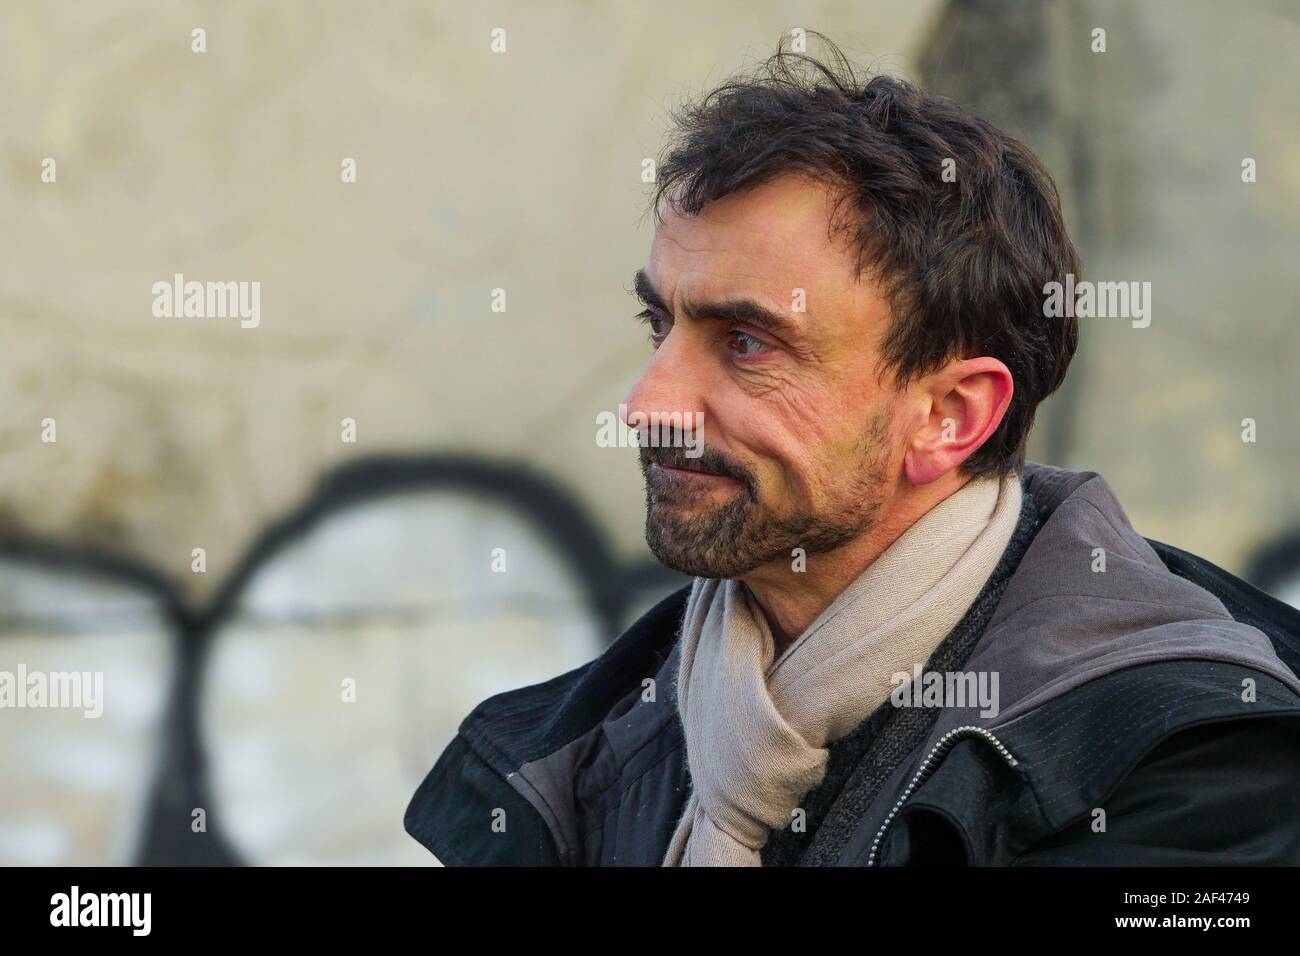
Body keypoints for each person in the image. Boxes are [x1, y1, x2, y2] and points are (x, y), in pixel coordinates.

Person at [405, 35, 1300, 866]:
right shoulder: (579, 748)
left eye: (747, 343)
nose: (648, 405)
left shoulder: (1196, 762)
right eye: (660, 323)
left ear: (950, 413)